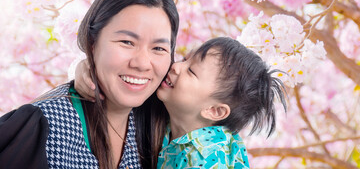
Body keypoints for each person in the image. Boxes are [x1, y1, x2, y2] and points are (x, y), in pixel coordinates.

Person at [0, 0, 179, 169]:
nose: (142, 64)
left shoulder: (160, 123)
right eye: (127, 42)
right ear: (92, 42)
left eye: (158, 48)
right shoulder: (44, 127)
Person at [76, 37, 287, 168]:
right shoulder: (181, 121)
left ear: (214, 110)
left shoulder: (207, 157)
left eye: (191, 71)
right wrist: (85, 68)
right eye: (186, 59)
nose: (177, 66)